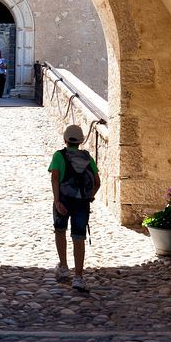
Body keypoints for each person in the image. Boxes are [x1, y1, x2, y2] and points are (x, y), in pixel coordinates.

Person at [48, 124, 101, 293]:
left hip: (63, 200)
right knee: (79, 237)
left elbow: (55, 178)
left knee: (60, 231)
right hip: (81, 203)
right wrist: (90, 195)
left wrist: (57, 200)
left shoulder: (59, 156)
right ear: (81, 141)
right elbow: (97, 181)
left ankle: (63, 266)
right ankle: (78, 277)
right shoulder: (87, 158)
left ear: (65, 140)